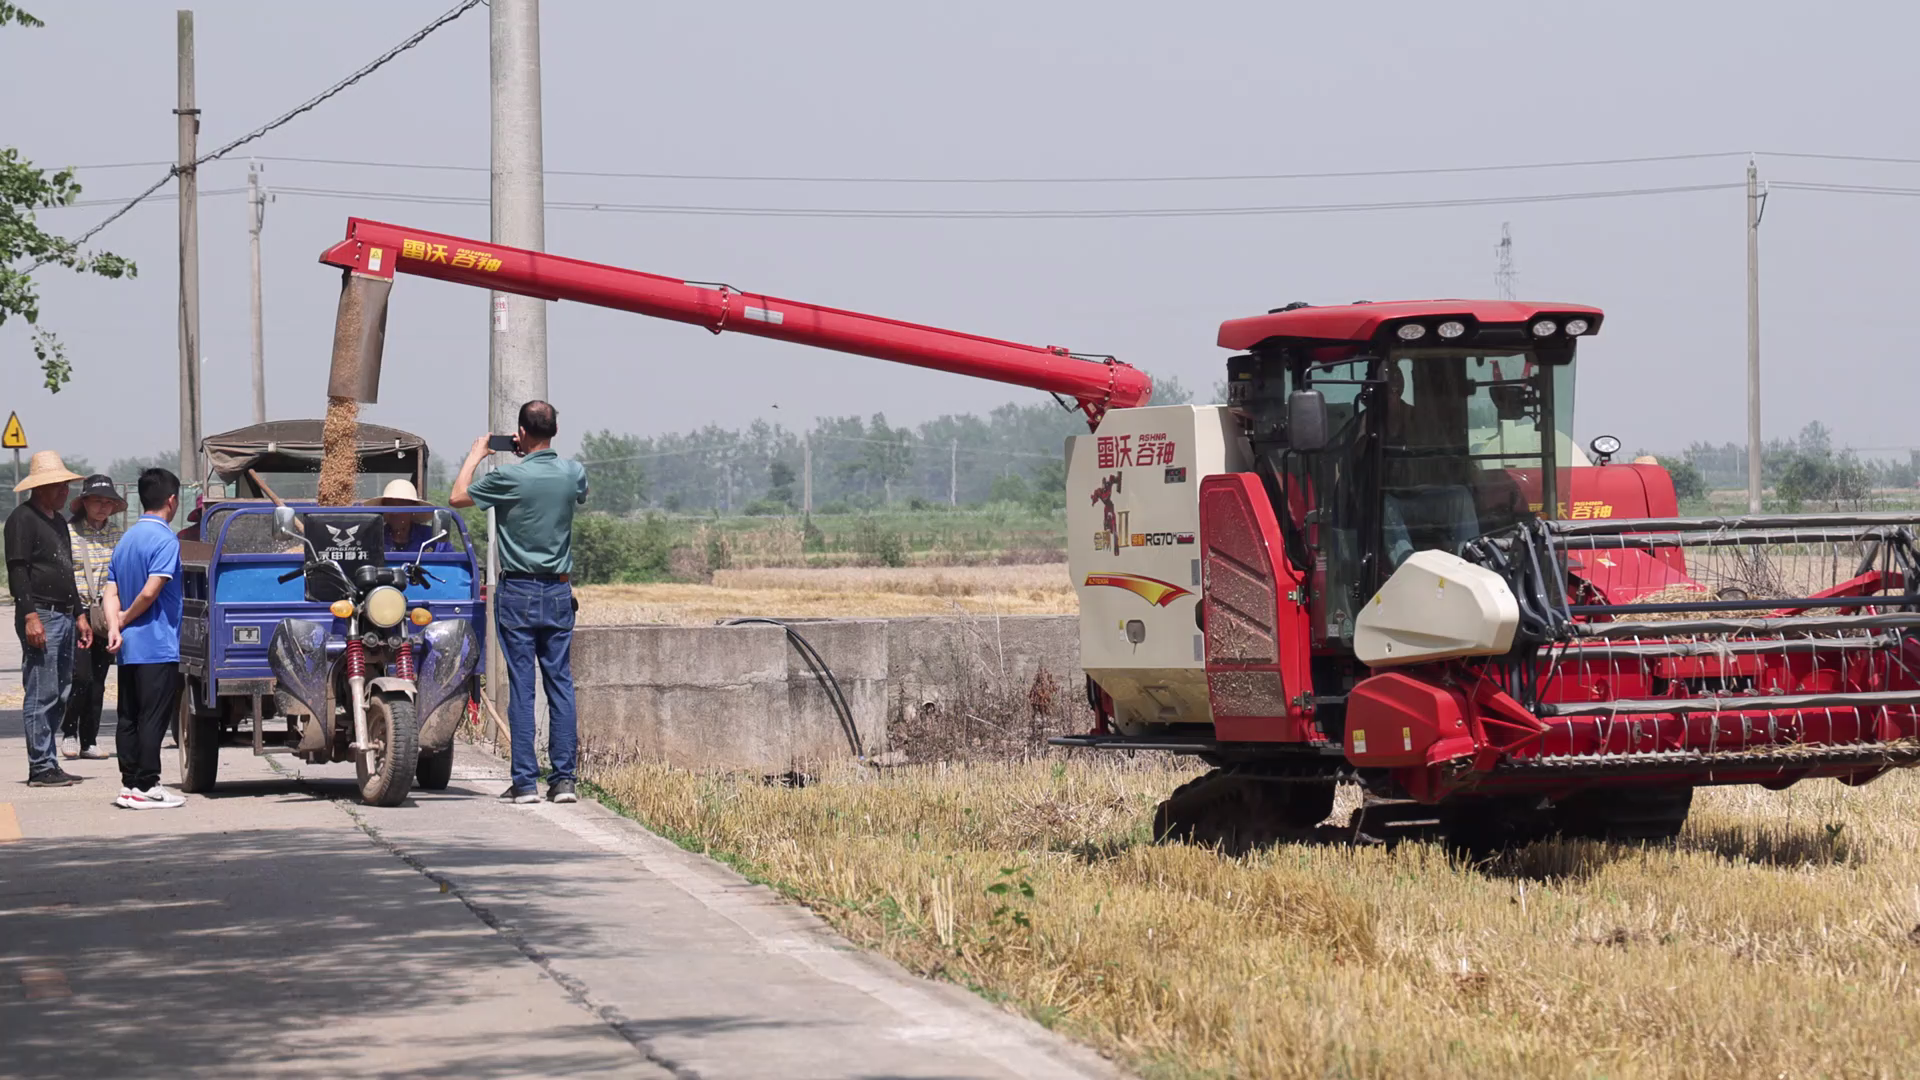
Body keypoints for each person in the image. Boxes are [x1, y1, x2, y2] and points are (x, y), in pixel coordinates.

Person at [451, 401, 588, 805]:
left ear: (521, 432)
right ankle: (564, 781)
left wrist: (477, 454)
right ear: (555, 430)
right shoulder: (573, 473)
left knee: (522, 687)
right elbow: (574, 489)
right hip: (558, 591)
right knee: (560, 683)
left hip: (517, 593)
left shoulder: (509, 477)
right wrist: (531, 451)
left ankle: (525, 783)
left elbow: (457, 497)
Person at [104, 469, 186, 810]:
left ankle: (129, 784)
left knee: (129, 716)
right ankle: (148, 784)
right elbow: (151, 591)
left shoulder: (126, 540)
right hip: (156, 644)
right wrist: (125, 618)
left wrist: (114, 626)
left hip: (128, 646)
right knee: (152, 716)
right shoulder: (165, 540)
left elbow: (110, 591)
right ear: (172, 500)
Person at [6, 451, 87, 788]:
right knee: (41, 691)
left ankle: (49, 760)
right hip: (40, 613)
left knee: (61, 690)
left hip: (64, 614)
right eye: (58, 485)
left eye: (66, 485)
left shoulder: (58, 522)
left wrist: (80, 613)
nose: (64, 491)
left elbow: (67, 571)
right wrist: (29, 616)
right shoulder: (22, 519)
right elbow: (18, 571)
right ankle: (40, 766)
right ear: (39, 487)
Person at [62, 475, 126, 761]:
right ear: (84, 503)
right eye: (97, 501)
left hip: (106, 612)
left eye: (108, 502)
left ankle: (89, 739)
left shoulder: (118, 535)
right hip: (78, 612)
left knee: (99, 679)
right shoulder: (69, 533)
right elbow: (64, 576)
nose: (102, 507)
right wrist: (79, 614)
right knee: (81, 676)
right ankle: (69, 732)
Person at [366, 478, 452, 554]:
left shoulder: (432, 537)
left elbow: (449, 563)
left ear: (413, 510)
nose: (395, 513)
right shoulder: (374, 538)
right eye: (390, 506)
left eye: (401, 507)